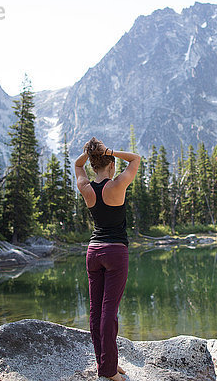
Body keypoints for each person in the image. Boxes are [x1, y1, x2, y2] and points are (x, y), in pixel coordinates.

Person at [75, 137, 140, 381]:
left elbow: (77, 166)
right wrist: (109, 151)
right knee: (109, 311)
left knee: (96, 311)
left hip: (93, 252)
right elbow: (135, 158)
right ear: (111, 165)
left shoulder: (86, 187)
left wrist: (90, 153)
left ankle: (105, 363)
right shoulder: (118, 184)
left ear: (93, 165)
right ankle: (109, 369)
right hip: (115, 252)